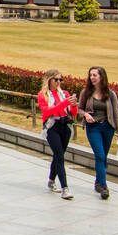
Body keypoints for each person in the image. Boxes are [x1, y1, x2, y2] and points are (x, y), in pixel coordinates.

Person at [79, 66, 118, 200]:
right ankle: (104, 187)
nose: (92, 78)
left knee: (103, 157)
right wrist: (86, 114)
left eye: (95, 75)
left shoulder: (110, 94)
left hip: (107, 128)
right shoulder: (86, 92)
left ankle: (98, 182)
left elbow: (116, 114)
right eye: (91, 75)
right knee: (99, 155)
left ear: (101, 77)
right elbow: (79, 108)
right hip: (93, 128)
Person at [38, 69, 78, 199]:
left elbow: (73, 112)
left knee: (58, 155)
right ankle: (65, 188)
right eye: (56, 80)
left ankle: (51, 180)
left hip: (64, 126)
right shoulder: (42, 95)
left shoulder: (64, 93)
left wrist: (73, 104)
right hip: (52, 127)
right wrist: (64, 103)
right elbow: (47, 112)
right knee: (60, 156)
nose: (59, 82)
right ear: (49, 80)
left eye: (61, 79)